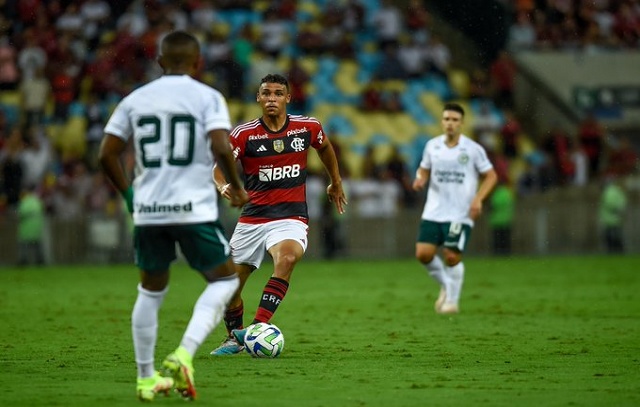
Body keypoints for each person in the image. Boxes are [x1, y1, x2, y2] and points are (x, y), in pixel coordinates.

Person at [98, 31, 248, 402]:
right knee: (224, 282)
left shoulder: (136, 99)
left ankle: (145, 377)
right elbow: (219, 144)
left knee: (149, 291)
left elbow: (106, 154)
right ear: (198, 63)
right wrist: (237, 186)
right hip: (192, 209)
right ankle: (184, 354)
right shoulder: (208, 97)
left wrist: (132, 197)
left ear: (160, 61)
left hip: (148, 211)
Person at [209, 73, 347, 355]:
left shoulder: (307, 127)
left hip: (290, 216)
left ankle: (257, 327)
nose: (271, 98)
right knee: (228, 287)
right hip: (252, 218)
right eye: (266, 93)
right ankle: (233, 339)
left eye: (277, 93)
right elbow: (219, 168)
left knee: (287, 257)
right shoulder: (243, 134)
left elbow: (325, 147)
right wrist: (223, 185)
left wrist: (336, 180)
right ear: (258, 98)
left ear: (287, 98)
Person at [412, 103, 497, 314]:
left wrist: (478, 199)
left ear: (462, 123)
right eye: (447, 119)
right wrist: (420, 179)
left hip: (460, 213)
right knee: (423, 254)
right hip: (434, 210)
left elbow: (492, 176)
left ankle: (452, 301)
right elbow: (423, 170)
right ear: (442, 122)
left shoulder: (473, 149)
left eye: (454, 120)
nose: (450, 123)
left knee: (451, 256)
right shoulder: (432, 146)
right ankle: (447, 285)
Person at [598, 177, 628, 254]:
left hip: (609, 218)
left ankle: (612, 252)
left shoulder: (609, 191)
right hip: (616, 218)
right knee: (617, 236)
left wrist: (614, 210)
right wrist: (619, 211)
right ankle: (619, 251)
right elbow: (623, 202)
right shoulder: (618, 191)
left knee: (610, 237)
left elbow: (609, 203)